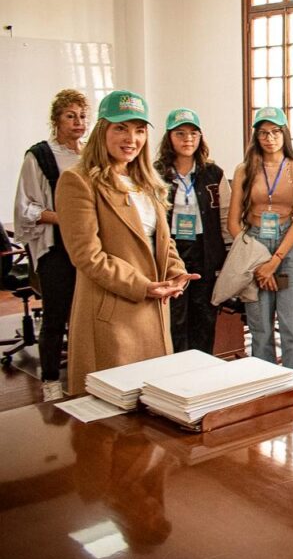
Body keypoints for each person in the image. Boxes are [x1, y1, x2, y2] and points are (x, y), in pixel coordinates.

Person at [55, 90, 197, 395]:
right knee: (112, 421)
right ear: (102, 130)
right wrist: (142, 286)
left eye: (139, 130)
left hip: (154, 308)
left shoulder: (147, 181)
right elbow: (87, 256)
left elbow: (161, 238)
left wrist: (175, 270)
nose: (131, 138)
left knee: (153, 409)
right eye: (121, 128)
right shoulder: (77, 180)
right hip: (112, 313)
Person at [226, 107, 293, 402]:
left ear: (284, 134)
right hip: (253, 244)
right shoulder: (243, 169)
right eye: (263, 132)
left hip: (288, 248)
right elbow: (233, 222)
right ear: (256, 136)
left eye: (275, 132)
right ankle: (264, 397)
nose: (269, 138)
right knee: (260, 329)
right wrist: (259, 258)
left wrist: (274, 261)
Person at [14, 89, 88, 401]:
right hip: (56, 249)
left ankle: (86, 375)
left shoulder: (90, 155)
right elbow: (26, 207)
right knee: (56, 315)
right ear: (56, 119)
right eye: (70, 116)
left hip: (88, 247)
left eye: (83, 116)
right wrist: (62, 218)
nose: (78, 122)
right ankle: (50, 381)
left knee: (85, 315)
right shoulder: (40, 156)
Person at [154, 108, 231, 354]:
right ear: (169, 138)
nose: (188, 139)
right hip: (173, 249)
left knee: (205, 315)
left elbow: (225, 216)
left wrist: (227, 253)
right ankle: (176, 371)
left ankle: (203, 369)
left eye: (193, 133)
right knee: (175, 315)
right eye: (180, 133)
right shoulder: (156, 173)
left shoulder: (213, 173)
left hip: (205, 249)